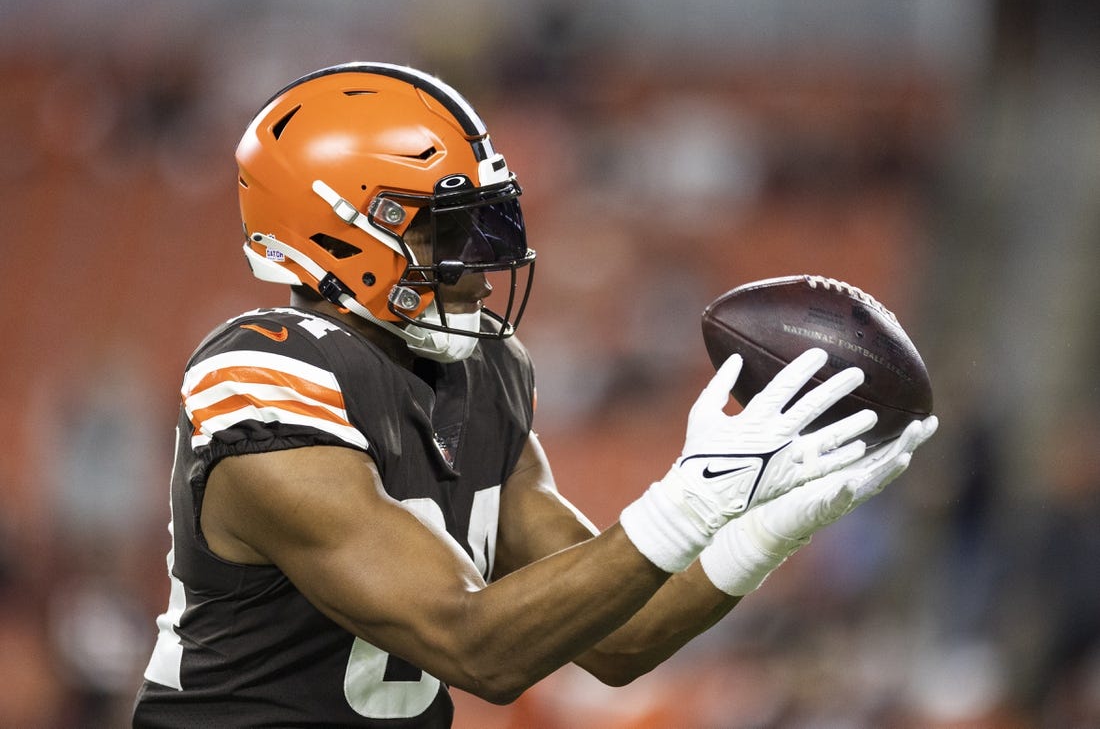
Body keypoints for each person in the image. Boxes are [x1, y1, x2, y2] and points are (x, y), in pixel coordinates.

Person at [131, 62, 937, 728]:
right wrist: (687, 499)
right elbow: (475, 646)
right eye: (446, 233)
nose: (481, 270)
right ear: (338, 230)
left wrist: (760, 527)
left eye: (486, 226)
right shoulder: (262, 382)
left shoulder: (482, 371)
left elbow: (614, 640)